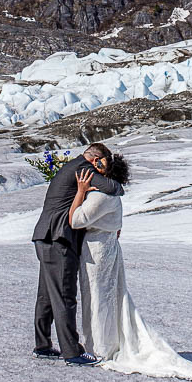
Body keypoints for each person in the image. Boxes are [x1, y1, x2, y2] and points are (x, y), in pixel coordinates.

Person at [69, 153, 192, 382]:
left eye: (100, 165)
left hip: (97, 250)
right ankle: (103, 343)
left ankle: (100, 348)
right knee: (106, 295)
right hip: (107, 247)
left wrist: (80, 191)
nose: (95, 167)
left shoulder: (102, 196)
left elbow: (76, 220)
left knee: (97, 296)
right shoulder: (112, 194)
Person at [31, 143, 123, 367]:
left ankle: (42, 345)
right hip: (59, 237)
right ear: (96, 159)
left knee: (46, 294)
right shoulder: (84, 169)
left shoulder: (74, 166)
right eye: (104, 161)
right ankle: (72, 352)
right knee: (65, 294)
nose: (104, 167)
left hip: (45, 235)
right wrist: (91, 187)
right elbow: (114, 188)